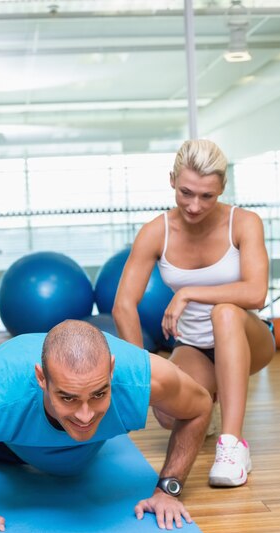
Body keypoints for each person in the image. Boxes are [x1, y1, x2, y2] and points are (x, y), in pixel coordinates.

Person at [0, 319, 212, 533]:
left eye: (99, 394)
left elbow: (199, 407)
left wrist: (167, 490)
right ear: (41, 378)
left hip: (79, 453)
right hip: (11, 444)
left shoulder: (147, 378)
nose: (86, 415)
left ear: (112, 370)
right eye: (68, 398)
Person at [112, 139, 276, 489]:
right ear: (172, 180)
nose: (195, 205)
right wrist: (143, 371)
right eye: (186, 192)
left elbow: (256, 293)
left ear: (222, 189)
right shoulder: (156, 232)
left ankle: (232, 446)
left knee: (226, 313)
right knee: (170, 413)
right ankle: (212, 401)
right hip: (195, 345)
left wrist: (188, 291)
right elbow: (123, 304)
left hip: (249, 338)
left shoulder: (244, 223)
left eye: (207, 196)